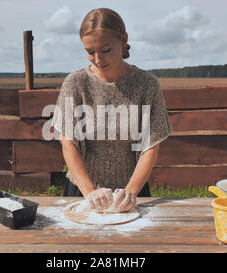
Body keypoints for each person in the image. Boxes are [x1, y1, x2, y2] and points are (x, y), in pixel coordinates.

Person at [51, 8, 172, 213]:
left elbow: (151, 146)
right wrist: (90, 192)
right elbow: (68, 142)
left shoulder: (147, 84)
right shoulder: (75, 83)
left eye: (106, 50)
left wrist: (131, 191)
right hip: (81, 191)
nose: (98, 59)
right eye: (90, 52)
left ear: (123, 40)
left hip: (131, 193)